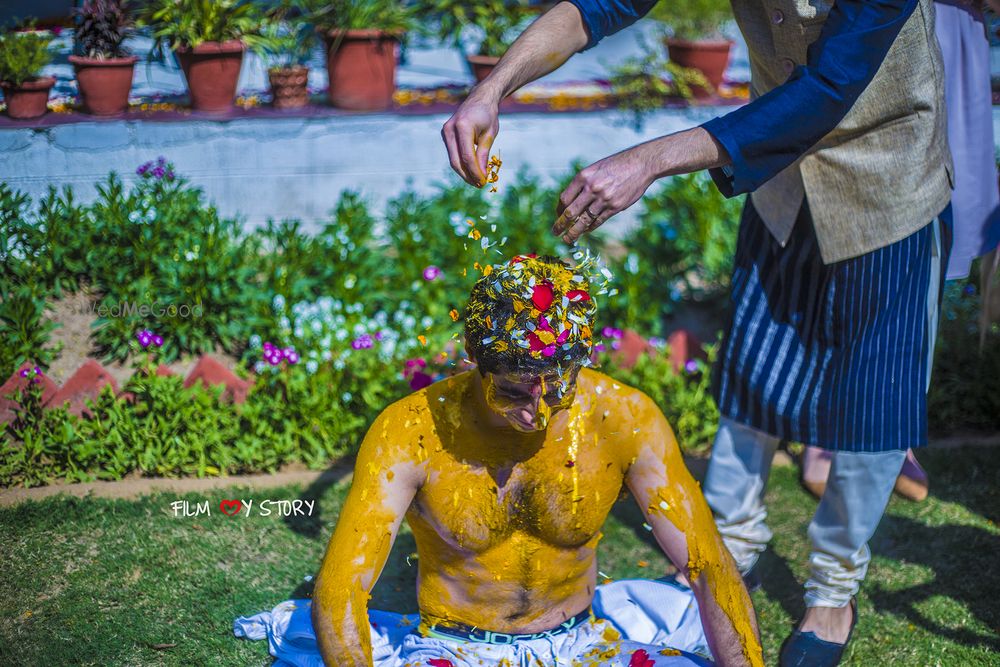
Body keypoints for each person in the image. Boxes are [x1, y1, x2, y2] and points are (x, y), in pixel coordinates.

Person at [441, 1, 953, 665]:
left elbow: (831, 85)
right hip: (782, 180)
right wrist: (491, 87)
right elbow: (594, 8)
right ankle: (722, 549)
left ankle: (833, 592)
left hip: (887, 180)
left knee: (869, 403)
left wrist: (650, 160)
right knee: (754, 372)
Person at [236, 255, 763, 666]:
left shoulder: (622, 418)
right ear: (471, 352)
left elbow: (707, 564)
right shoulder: (412, 429)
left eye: (556, 389)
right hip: (452, 649)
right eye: (512, 392)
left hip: (583, 644)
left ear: (584, 360)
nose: (534, 413)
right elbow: (342, 586)